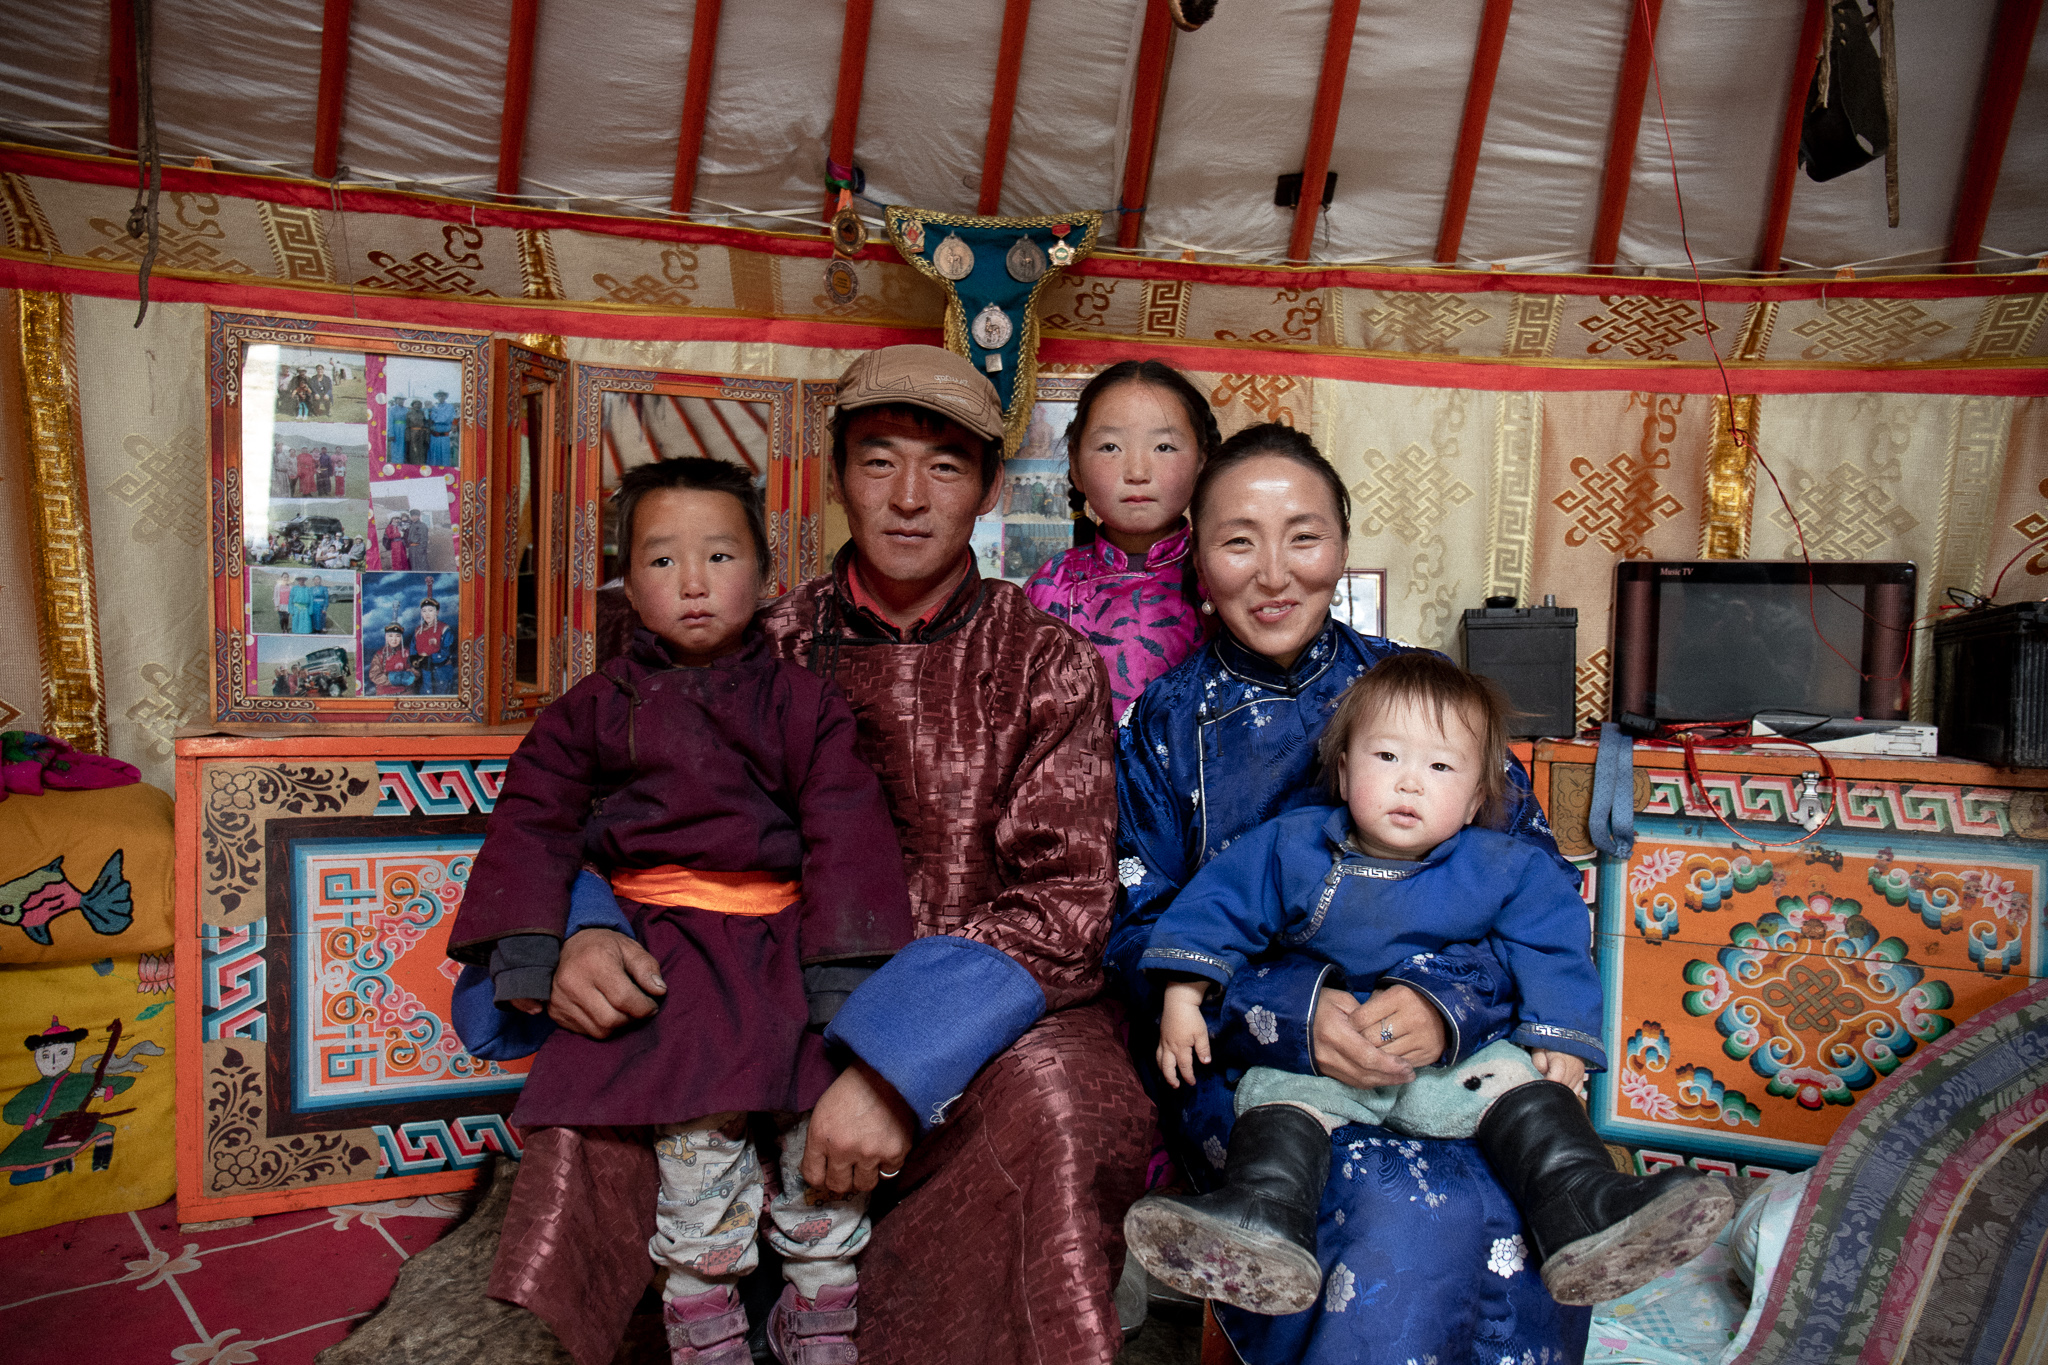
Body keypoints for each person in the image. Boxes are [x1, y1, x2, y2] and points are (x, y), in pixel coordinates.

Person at [487, 345, 1152, 1365]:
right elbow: (596, 802)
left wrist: (894, 1059)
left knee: (1072, 1107)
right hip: (756, 978)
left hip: (978, 1010)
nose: (908, 498)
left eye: (944, 467)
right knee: (609, 1068)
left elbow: (1064, 904)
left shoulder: (1041, 660)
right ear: (835, 475)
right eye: (877, 461)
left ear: (984, 488)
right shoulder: (758, 642)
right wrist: (583, 925)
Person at [1112, 423, 1590, 1365]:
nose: (1274, 571)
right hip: (1259, 1073)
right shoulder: (1165, 723)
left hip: (1459, 1052)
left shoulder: (1425, 698)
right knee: (1399, 1201)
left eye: (1304, 535)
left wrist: (1441, 1003)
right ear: (1197, 558)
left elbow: (1536, 891)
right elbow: (1135, 933)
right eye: (1238, 538)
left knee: (1531, 1188)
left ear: (1341, 545)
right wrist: (1293, 1012)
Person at [450, 457, 915, 1365]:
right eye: (661, 561)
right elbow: (534, 823)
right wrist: (531, 959)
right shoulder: (589, 711)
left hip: (786, 952)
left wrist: (846, 990)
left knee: (818, 1144)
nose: (694, 582)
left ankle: (820, 1311)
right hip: (670, 965)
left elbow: (847, 836)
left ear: (768, 573)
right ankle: (703, 1322)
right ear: (626, 582)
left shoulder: (806, 704)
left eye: (718, 554)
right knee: (696, 1151)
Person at [1124, 652, 1730, 1314]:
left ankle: (1583, 1208)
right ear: (1346, 769)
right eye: (1387, 758)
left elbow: (1551, 940)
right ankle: (1262, 1224)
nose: (1409, 783)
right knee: (1271, 1101)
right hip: (1327, 1059)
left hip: (1450, 1066)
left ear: (1474, 800)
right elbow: (1219, 907)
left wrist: (1564, 1042)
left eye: (1440, 767)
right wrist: (1184, 996)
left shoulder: (1500, 867)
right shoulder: (1292, 847)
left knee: (1522, 1086)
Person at [1025, 361, 1217, 718]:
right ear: (1076, 466)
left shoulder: (1223, 576)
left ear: (1202, 463)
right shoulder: (1051, 587)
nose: (1137, 473)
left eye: (1164, 447)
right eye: (1110, 447)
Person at [411, 595, 456, 693]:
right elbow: (413, 650)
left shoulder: (444, 629)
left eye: (430, 610)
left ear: (437, 612)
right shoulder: (418, 630)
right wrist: (415, 661)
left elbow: (445, 652)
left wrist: (426, 658)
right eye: (424, 611)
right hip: (424, 670)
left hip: (441, 670)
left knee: (442, 696)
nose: (427, 614)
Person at [366, 623, 416, 694]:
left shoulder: (409, 652)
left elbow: (416, 671)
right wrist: (395, 679)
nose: (394, 639)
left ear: (401, 638)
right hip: (385, 693)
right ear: (386, 637)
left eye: (397, 636)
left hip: (406, 692)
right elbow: (374, 675)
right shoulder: (380, 654)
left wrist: (408, 677)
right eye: (390, 636)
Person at [428, 389, 459, 463]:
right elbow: (430, 417)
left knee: (445, 455)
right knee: (434, 455)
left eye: (442, 395)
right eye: (439, 396)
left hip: (445, 435)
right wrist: (437, 417)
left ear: (445, 397)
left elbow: (447, 419)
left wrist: (436, 417)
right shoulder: (433, 407)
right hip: (435, 435)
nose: (441, 397)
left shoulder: (449, 407)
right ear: (437, 397)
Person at [405, 400, 431, 464]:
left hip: (422, 433)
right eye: (416, 404)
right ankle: (413, 464)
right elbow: (407, 425)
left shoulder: (423, 413)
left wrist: (427, 434)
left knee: (422, 449)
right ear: (413, 405)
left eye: (419, 404)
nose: (417, 406)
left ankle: (421, 463)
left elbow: (427, 424)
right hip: (413, 433)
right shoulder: (409, 413)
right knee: (413, 449)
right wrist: (407, 436)